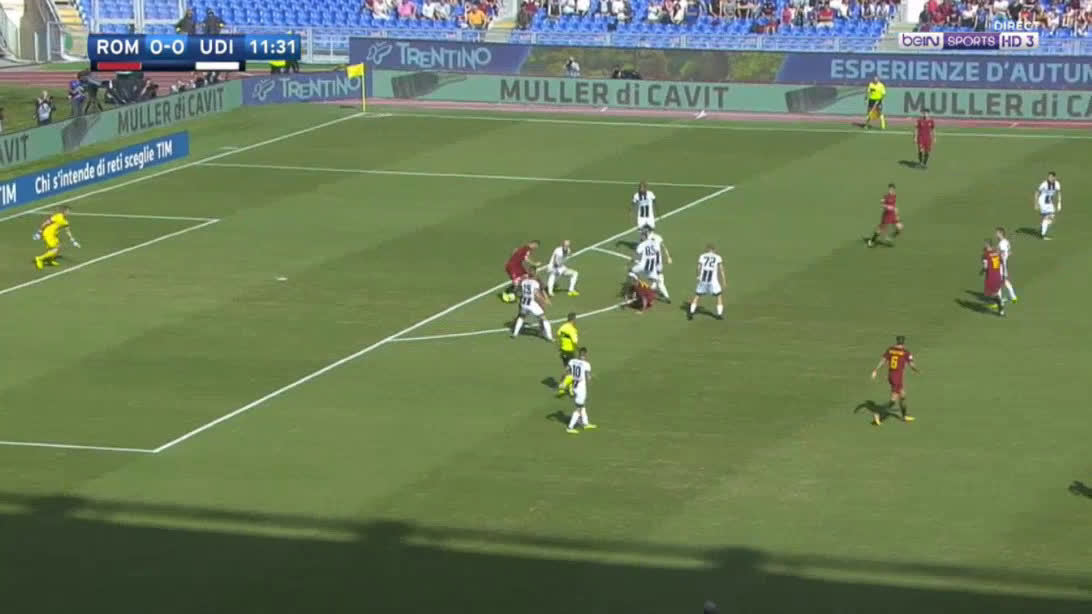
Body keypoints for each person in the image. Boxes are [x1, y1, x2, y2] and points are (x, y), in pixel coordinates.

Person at [869, 335, 919, 425]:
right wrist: (917, 370)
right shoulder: (905, 352)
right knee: (893, 400)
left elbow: (883, 360)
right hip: (897, 377)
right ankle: (877, 414)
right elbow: (912, 365)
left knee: (903, 396)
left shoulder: (890, 350)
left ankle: (904, 416)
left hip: (892, 375)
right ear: (904, 342)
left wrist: (875, 370)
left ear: (897, 341)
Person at [688, 244, 726, 320]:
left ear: (707, 250)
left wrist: (697, 276)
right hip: (713, 281)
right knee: (719, 296)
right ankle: (719, 314)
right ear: (714, 250)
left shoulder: (702, 256)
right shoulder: (718, 257)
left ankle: (691, 313)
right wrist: (724, 280)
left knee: (697, 296)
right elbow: (721, 269)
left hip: (703, 280)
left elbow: (698, 267)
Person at [512, 275, 553, 341]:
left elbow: (518, 290)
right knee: (544, 318)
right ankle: (550, 337)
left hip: (524, 302)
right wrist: (544, 300)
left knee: (522, 317)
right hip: (531, 303)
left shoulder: (524, 281)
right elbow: (536, 293)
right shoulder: (535, 283)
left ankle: (515, 333)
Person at [565, 347, 596, 433]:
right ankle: (570, 427)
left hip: (574, 386)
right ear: (585, 354)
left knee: (582, 405)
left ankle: (586, 423)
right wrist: (592, 378)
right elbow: (588, 378)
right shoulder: (586, 364)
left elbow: (567, 370)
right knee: (578, 408)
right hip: (581, 389)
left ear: (579, 354)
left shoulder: (572, 361)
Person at [867, 183, 901, 247]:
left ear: (894, 189)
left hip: (893, 215)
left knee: (899, 228)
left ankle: (890, 238)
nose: (890, 190)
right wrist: (887, 206)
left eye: (892, 189)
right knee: (880, 230)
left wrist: (897, 213)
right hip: (887, 216)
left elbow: (895, 204)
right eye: (890, 189)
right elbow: (882, 203)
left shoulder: (894, 195)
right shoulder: (886, 196)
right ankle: (871, 240)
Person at [555, 312, 579, 397]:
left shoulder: (563, 327)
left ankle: (569, 389)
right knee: (571, 372)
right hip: (570, 352)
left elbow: (558, 334)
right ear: (573, 319)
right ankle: (563, 388)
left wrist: (561, 345)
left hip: (563, 351)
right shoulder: (572, 329)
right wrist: (578, 349)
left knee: (567, 370)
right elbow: (575, 341)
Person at [645, 227, 673, 301]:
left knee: (657, 277)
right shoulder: (658, 237)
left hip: (653, 259)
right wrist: (668, 257)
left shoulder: (648, 238)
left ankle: (660, 291)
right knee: (657, 274)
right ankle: (654, 287)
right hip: (658, 258)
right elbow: (664, 247)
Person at [982, 239, 1006, 316]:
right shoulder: (997, 253)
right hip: (998, 276)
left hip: (990, 277)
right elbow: (1002, 262)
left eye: (985, 244)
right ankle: (1001, 310)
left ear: (987, 245)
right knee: (993, 293)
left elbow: (985, 267)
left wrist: (982, 271)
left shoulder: (986, 255)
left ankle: (999, 302)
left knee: (988, 294)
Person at [1034, 171, 1060, 240]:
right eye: (1048, 177)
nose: (1049, 178)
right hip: (1042, 202)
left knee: (1052, 219)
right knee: (1047, 217)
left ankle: (1042, 227)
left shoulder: (1057, 184)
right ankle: (1042, 235)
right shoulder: (1044, 184)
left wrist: (1058, 203)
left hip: (1049, 202)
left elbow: (1057, 193)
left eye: (1051, 177)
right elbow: (1037, 192)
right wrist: (1036, 203)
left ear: (1054, 177)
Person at [995, 227, 1018, 303]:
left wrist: (995, 253)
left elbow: (1001, 253)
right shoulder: (1006, 242)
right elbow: (1010, 252)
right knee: (1004, 281)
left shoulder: (1001, 243)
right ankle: (1013, 297)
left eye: (997, 233)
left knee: (998, 282)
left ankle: (999, 301)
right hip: (1004, 263)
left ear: (1000, 234)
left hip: (1001, 264)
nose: (996, 235)